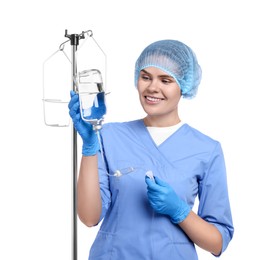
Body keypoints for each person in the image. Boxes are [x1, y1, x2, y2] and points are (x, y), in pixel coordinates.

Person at [68, 39, 234, 260]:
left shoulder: (207, 149)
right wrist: (89, 147)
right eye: (145, 77)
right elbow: (89, 217)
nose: (152, 87)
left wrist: (181, 212)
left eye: (166, 80)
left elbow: (217, 242)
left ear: (183, 85)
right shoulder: (108, 136)